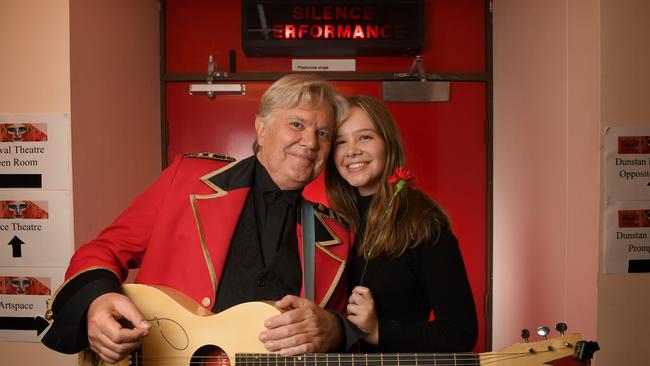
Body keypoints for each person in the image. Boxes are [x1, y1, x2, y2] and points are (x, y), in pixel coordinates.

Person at [41, 74, 359, 363]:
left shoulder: (336, 235)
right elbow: (104, 250)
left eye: (323, 133)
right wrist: (97, 301)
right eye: (297, 125)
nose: (310, 142)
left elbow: (342, 324)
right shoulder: (187, 179)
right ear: (262, 129)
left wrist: (335, 329)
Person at [325, 95, 478, 352]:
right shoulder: (330, 223)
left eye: (364, 137)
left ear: (388, 143)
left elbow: (460, 333)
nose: (352, 150)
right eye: (340, 141)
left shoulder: (422, 221)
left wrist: (378, 331)